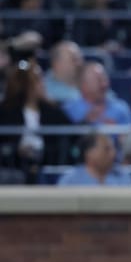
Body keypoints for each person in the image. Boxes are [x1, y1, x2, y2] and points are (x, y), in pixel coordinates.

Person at [0, 44, 75, 184]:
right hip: (15, 165)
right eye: (37, 80)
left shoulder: (52, 112)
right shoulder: (6, 112)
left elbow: (70, 132)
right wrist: (18, 149)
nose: (42, 84)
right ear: (26, 84)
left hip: (47, 163)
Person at [62, 61, 131, 125]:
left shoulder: (121, 108)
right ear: (83, 84)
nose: (104, 84)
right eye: (98, 80)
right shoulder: (70, 110)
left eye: (104, 79)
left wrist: (118, 132)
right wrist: (85, 122)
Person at [57, 132, 131, 186]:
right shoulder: (71, 179)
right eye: (106, 149)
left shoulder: (124, 176)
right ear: (89, 153)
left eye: (113, 149)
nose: (113, 153)